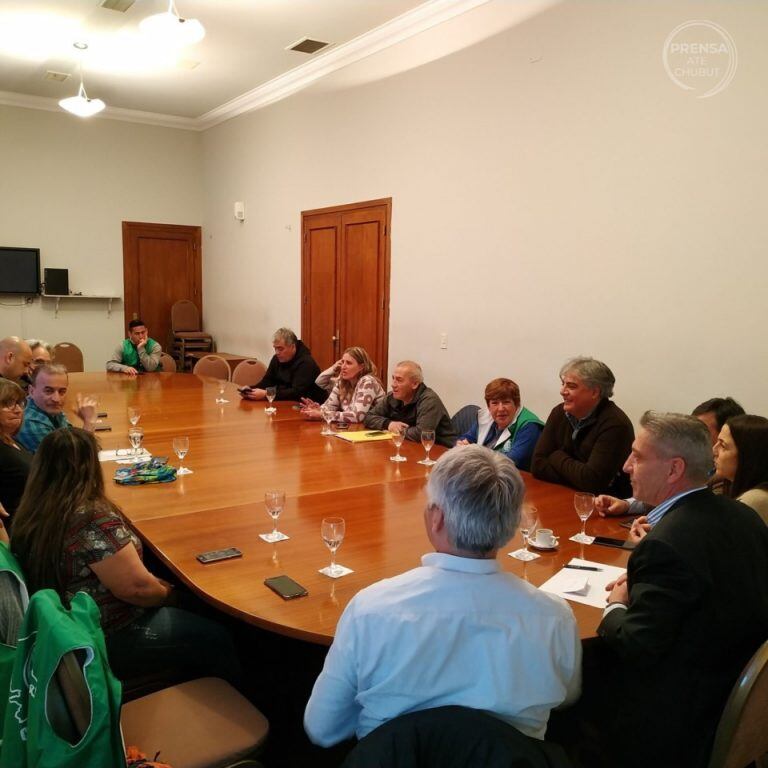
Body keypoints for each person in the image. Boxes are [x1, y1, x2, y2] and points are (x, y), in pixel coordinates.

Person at [304, 445, 581, 747]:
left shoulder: (371, 609)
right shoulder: (555, 617)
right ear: (512, 525)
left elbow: (323, 730)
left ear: (436, 518)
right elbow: (567, 697)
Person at [593, 412, 768, 768]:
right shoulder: (741, 515)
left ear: (674, 470)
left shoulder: (667, 543)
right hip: (740, 696)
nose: (626, 466)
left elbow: (635, 643)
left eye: (637, 456)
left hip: (678, 723)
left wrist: (616, 605)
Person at [10, 428, 241, 684]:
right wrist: (173, 595)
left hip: (63, 626)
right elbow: (137, 590)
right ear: (90, 467)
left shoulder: (32, 508)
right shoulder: (90, 518)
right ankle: (237, 697)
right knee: (216, 632)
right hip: (105, 635)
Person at [595, 395, 747, 519]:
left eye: (702, 431)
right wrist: (627, 505)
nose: (627, 467)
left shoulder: (733, 482)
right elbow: (671, 494)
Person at [531, 357, 633, 495]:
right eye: (563, 384)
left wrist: (556, 455)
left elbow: (592, 482)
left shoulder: (615, 425)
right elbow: (537, 465)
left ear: (594, 392)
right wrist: (578, 476)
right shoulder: (559, 413)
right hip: (564, 496)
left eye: (571, 386)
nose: (562, 391)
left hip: (604, 509)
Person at [455, 378, 544, 471]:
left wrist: (473, 453)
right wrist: (461, 445)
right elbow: (467, 437)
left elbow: (510, 461)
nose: (500, 408)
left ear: (517, 404)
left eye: (506, 402)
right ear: (489, 406)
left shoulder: (530, 426)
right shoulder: (485, 417)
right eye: (495, 403)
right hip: (483, 471)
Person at [363, 360, 456, 447]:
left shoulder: (429, 400)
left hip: (439, 450)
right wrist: (389, 424)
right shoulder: (392, 396)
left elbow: (421, 434)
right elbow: (369, 417)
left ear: (415, 384)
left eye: (399, 380)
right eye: (393, 378)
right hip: (409, 446)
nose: (393, 384)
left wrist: (394, 431)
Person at [15, 364, 96, 453]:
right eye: (48, 391)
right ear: (31, 391)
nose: (56, 399)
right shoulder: (30, 422)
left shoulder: (48, 409)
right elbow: (71, 459)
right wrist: (89, 422)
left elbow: (71, 440)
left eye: (62, 391)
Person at [300, 346, 385, 423]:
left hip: (377, 431)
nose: (343, 367)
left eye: (348, 363)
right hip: (356, 430)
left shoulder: (368, 381)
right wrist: (317, 410)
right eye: (343, 362)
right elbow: (329, 406)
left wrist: (323, 414)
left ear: (361, 367)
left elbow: (357, 416)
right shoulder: (342, 382)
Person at [241, 328, 325, 402]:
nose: (277, 353)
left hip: (306, 406)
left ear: (292, 347)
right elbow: (267, 381)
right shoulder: (277, 358)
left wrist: (267, 394)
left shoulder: (306, 363)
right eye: (275, 348)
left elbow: (296, 393)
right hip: (284, 402)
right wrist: (250, 390)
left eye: (280, 349)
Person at [713, 414, 768, 525]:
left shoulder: (754, 502)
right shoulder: (722, 487)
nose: (714, 450)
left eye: (723, 445)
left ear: (748, 455)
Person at [0, 380, 32, 528]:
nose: (18, 410)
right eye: (8, 404)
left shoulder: (10, 440)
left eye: (19, 403)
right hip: (16, 530)